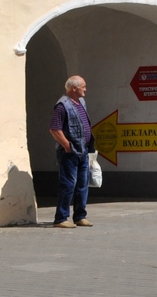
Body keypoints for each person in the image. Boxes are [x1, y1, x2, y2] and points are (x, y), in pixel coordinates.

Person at [49, 75, 92, 229]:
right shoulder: (62, 105)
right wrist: (67, 146)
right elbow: (54, 128)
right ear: (74, 88)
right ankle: (61, 218)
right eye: (83, 86)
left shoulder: (81, 102)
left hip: (83, 151)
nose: (85, 89)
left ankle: (80, 216)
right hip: (70, 153)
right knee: (68, 185)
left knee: (82, 184)